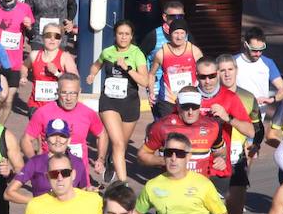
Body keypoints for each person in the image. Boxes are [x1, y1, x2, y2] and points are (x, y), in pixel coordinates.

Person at [194, 56, 261, 214]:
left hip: (233, 160)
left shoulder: (236, 98)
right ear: (197, 76)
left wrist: (228, 118)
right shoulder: (190, 96)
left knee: (234, 210)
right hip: (201, 166)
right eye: (203, 76)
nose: (208, 80)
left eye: (211, 75)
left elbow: (252, 130)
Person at [212, 54, 265, 214]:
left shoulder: (247, 97)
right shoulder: (211, 95)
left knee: (235, 210)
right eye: (222, 70)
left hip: (237, 160)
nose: (226, 74)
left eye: (230, 69)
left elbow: (258, 127)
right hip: (214, 162)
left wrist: (255, 145)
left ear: (236, 70)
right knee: (211, 211)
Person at [88, 20, 150, 183]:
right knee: (118, 143)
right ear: (115, 35)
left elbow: (144, 81)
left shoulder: (137, 53)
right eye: (120, 33)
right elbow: (96, 65)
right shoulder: (107, 52)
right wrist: (92, 75)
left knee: (121, 144)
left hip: (129, 103)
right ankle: (123, 184)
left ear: (131, 36)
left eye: (127, 34)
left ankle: (111, 161)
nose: (123, 37)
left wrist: (127, 68)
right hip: (109, 101)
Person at [23, 73, 107, 180]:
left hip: (80, 178)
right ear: (57, 91)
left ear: (79, 92)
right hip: (51, 177)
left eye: (73, 93)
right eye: (64, 93)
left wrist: (100, 159)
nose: (68, 98)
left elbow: (102, 134)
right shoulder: (43, 112)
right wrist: (36, 163)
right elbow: (26, 140)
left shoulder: (88, 113)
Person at [6, 118, 91, 202]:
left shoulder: (77, 162)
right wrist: (37, 203)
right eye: (53, 135)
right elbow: (9, 193)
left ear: (69, 140)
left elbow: (83, 191)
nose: (58, 140)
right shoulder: (35, 162)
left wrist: (90, 191)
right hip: (42, 211)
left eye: (62, 136)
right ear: (46, 139)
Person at [150, 21, 204, 119]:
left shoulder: (194, 51)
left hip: (190, 98)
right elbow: (151, 74)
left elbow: (204, 71)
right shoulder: (161, 53)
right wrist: (151, 92)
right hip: (168, 100)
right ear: (170, 34)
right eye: (176, 33)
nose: (179, 37)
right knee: (170, 127)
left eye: (182, 33)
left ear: (186, 34)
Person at [233, 26, 283, 116]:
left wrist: (272, 99)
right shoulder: (233, 62)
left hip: (259, 115)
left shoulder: (268, 63)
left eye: (261, 50)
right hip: (237, 113)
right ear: (245, 45)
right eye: (254, 50)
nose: (258, 53)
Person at [26, 22, 78, 115]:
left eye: (57, 36)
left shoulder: (65, 57)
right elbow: (24, 66)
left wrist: (57, 72)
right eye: (48, 35)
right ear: (42, 38)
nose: (52, 39)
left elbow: (75, 80)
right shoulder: (34, 55)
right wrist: (23, 76)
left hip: (57, 106)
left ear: (60, 40)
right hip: (36, 106)